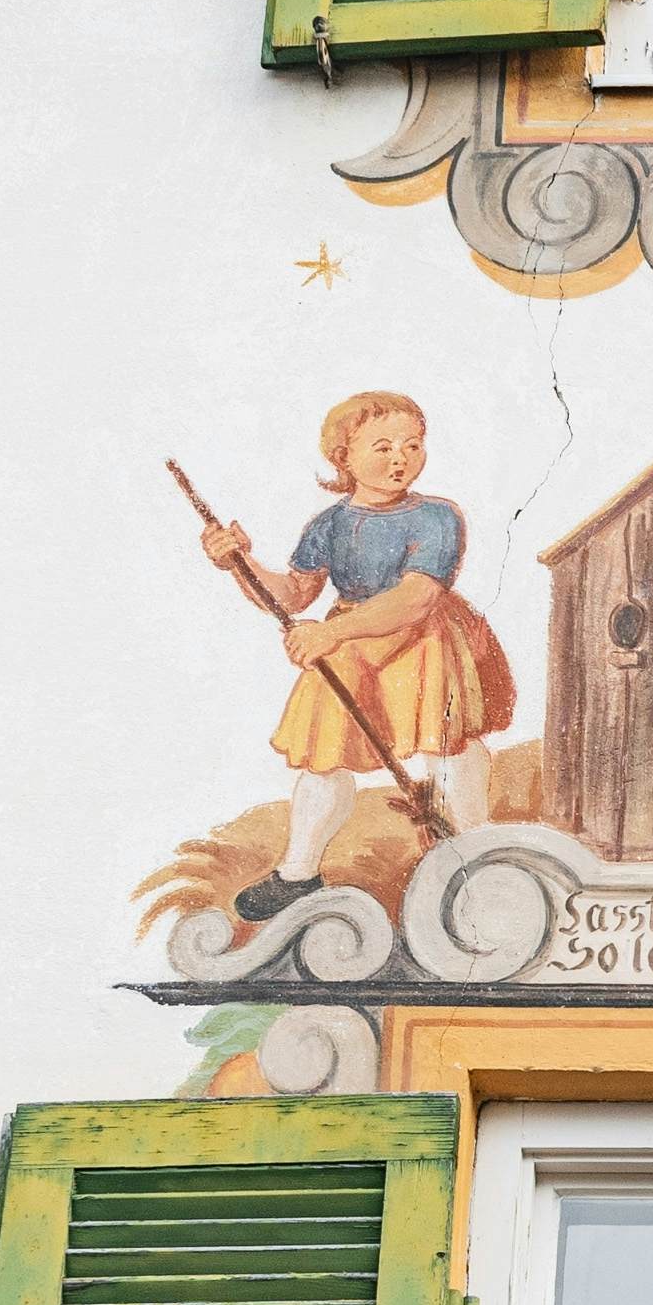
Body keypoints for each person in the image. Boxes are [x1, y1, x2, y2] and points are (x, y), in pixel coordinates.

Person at [200, 390, 513, 921]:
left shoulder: (437, 516)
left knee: (449, 747)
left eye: (413, 446)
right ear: (342, 457)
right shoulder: (328, 524)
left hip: (421, 640)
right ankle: (299, 871)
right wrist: (240, 564)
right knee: (324, 753)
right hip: (347, 645)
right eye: (384, 446)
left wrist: (333, 636)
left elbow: (417, 596)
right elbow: (294, 596)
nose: (401, 459)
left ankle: (475, 857)